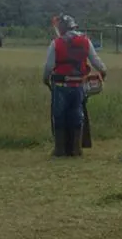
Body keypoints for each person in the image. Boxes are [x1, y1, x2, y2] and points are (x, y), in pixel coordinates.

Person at [42, 14, 107, 157]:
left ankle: (60, 149)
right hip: (78, 85)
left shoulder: (56, 43)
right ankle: (76, 149)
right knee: (77, 116)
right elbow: (97, 62)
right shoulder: (85, 41)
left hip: (60, 85)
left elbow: (48, 67)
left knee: (59, 116)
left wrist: (45, 80)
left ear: (62, 28)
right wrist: (103, 73)